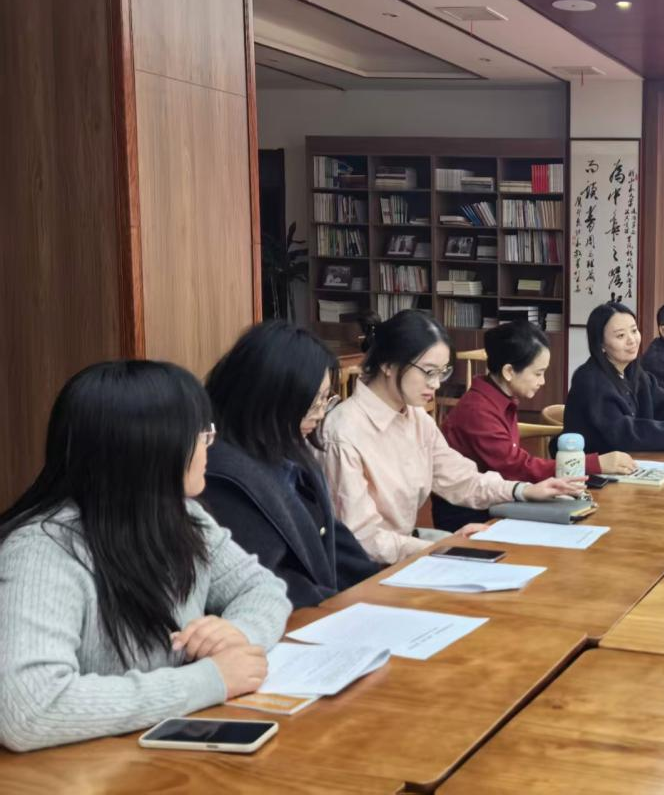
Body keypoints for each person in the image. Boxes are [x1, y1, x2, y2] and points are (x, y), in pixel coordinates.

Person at [0, 361, 291, 752]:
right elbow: (30, 710)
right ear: (153, 447)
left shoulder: (183, 516)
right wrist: (210, 680)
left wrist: (239, 632)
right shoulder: (41, 551)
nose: (209, 445)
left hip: (165, 751)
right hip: (83, 768)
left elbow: (263, 588)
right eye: (201, 434)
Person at [321, 310, 585, 565]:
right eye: (428, 372)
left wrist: (523, 490)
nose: (436, 384)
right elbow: (361, 539)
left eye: (442, 372)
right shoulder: (343, 432)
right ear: (388, 364)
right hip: (366, 571)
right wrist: (439, 546)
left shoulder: (417, 419)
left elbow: (461, 480)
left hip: (406, 551)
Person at [200, 321, 382, 608]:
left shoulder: (288, 452)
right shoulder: (222, 478)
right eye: (314, 403)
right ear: (272, 397)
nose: (320, 414)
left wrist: (380, 587)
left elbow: (334, 542)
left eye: (326, 400)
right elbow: (270, 577)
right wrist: (338, 605)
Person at [437, 320, 636, 529]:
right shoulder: (477, 410)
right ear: (509, 371)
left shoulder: (498, 396)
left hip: (500, 497)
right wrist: (595, 464)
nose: (542, 381)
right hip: (472, 515)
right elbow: (517, 468)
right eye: (538, 373)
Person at [564, 302, 664, 454]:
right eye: (620, 335)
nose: (632, 340)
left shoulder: (633, 372)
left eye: (634, 331)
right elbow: (623, 432)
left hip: (634, 460)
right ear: (601, 344)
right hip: (595, 466)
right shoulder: (591, 380)